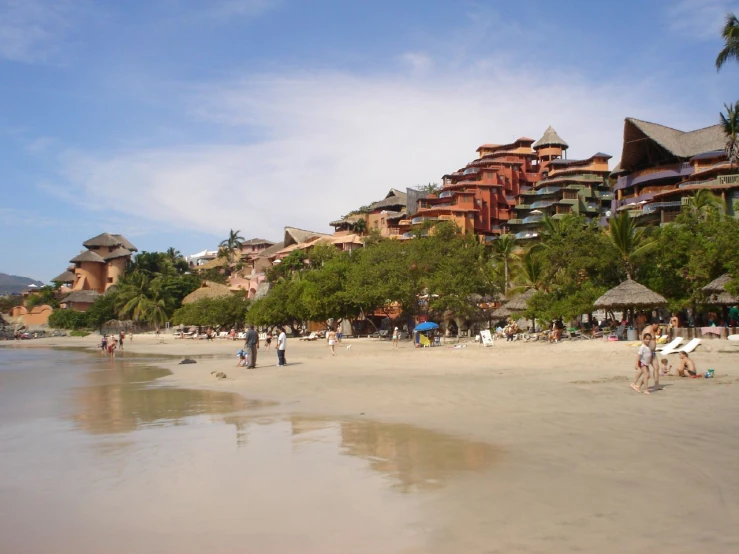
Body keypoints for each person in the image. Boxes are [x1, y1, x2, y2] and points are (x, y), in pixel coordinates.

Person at [642, 321, 661, 389]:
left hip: (653, 352)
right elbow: (644, 341)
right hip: (648, 352)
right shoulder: (648, 330)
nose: (658, 327)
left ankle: (656, 384)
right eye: (657, 325)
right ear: (654, 324)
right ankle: (637, 384)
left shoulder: (652, 330)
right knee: (645, 372)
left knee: (656, 368)